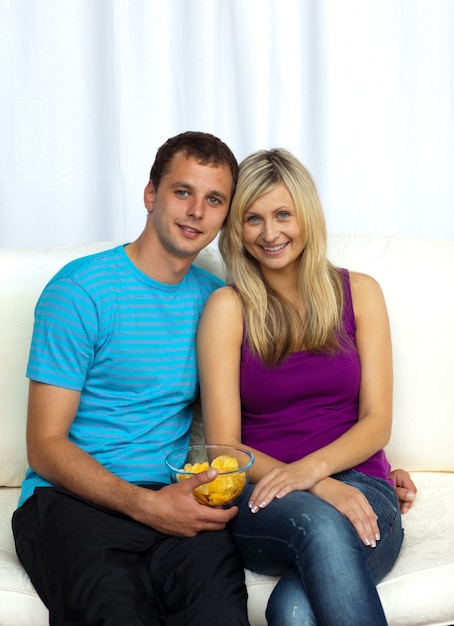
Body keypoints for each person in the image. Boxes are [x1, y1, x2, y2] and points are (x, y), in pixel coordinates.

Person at [12, 131, 250, 626]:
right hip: (70, 502)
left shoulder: (218, 303)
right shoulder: (80, 291)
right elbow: (45, 445)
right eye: (182, 192)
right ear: (150, 195)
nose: (195, 212)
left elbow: (279, 406)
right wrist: (145, 506)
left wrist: (366, 470)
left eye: (214, 200)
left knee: (221, 615)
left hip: (178, 498)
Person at [196, 147, 415, 625]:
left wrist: (316, 474)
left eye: (282, 215)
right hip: (267, 493)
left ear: (306, 217)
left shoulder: (362, 292)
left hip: (362, 486)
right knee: (318, 525)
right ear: (237, 229)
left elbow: (377, 421)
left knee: (293, 610)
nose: (270, 233)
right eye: (253, 218)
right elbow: (223, 448)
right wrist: (311, 484)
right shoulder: (227, 309)